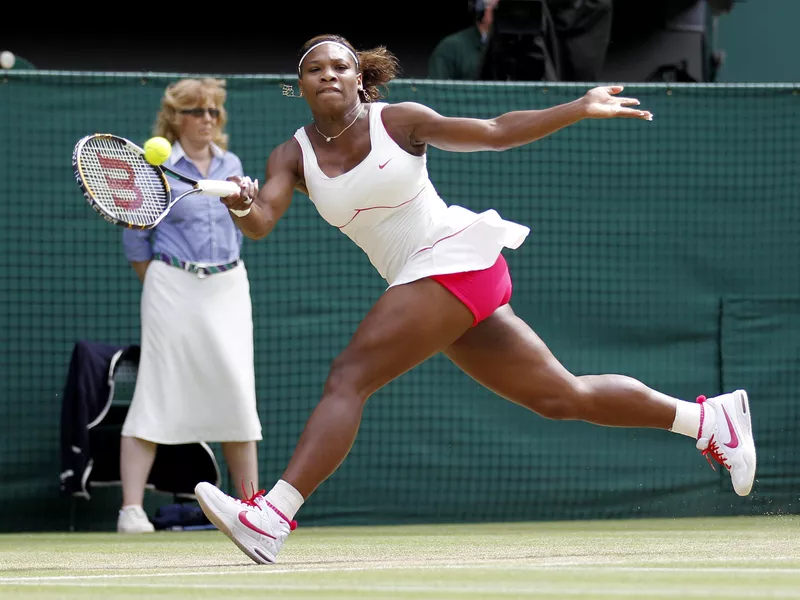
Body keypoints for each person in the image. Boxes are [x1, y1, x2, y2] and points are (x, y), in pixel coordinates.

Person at [194, 34, 756, 564]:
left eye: (340, 66)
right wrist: (241, 201)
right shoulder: (291, 156)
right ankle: (706, 421)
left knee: (349, 376)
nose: (328, 75)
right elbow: (262, 220)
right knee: (562, 396)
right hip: (432, 282)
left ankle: (273, 515)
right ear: (301, 86)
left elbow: (493, 129)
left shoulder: (400, 121)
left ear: (360, 79)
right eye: (314, 70)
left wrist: (579, 106)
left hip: (453, 258)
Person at [118, 78, 262, 534]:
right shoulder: (153, 167)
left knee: (238, 396)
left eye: (213, 112)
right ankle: (131, 512)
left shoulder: (231, 164)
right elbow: (136, 238)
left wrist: (247, 200)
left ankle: (254, 510)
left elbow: (248, 222)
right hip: (170, 286)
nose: (207, 120)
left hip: (229, 287)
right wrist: (170, 282)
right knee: (155, 390)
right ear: (175, 117)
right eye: (197, 111)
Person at [428, 0, 499, 80]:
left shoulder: (512, 48)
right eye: (497, 7)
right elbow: (437, 89)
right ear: (480, 10)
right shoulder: (451, 47)